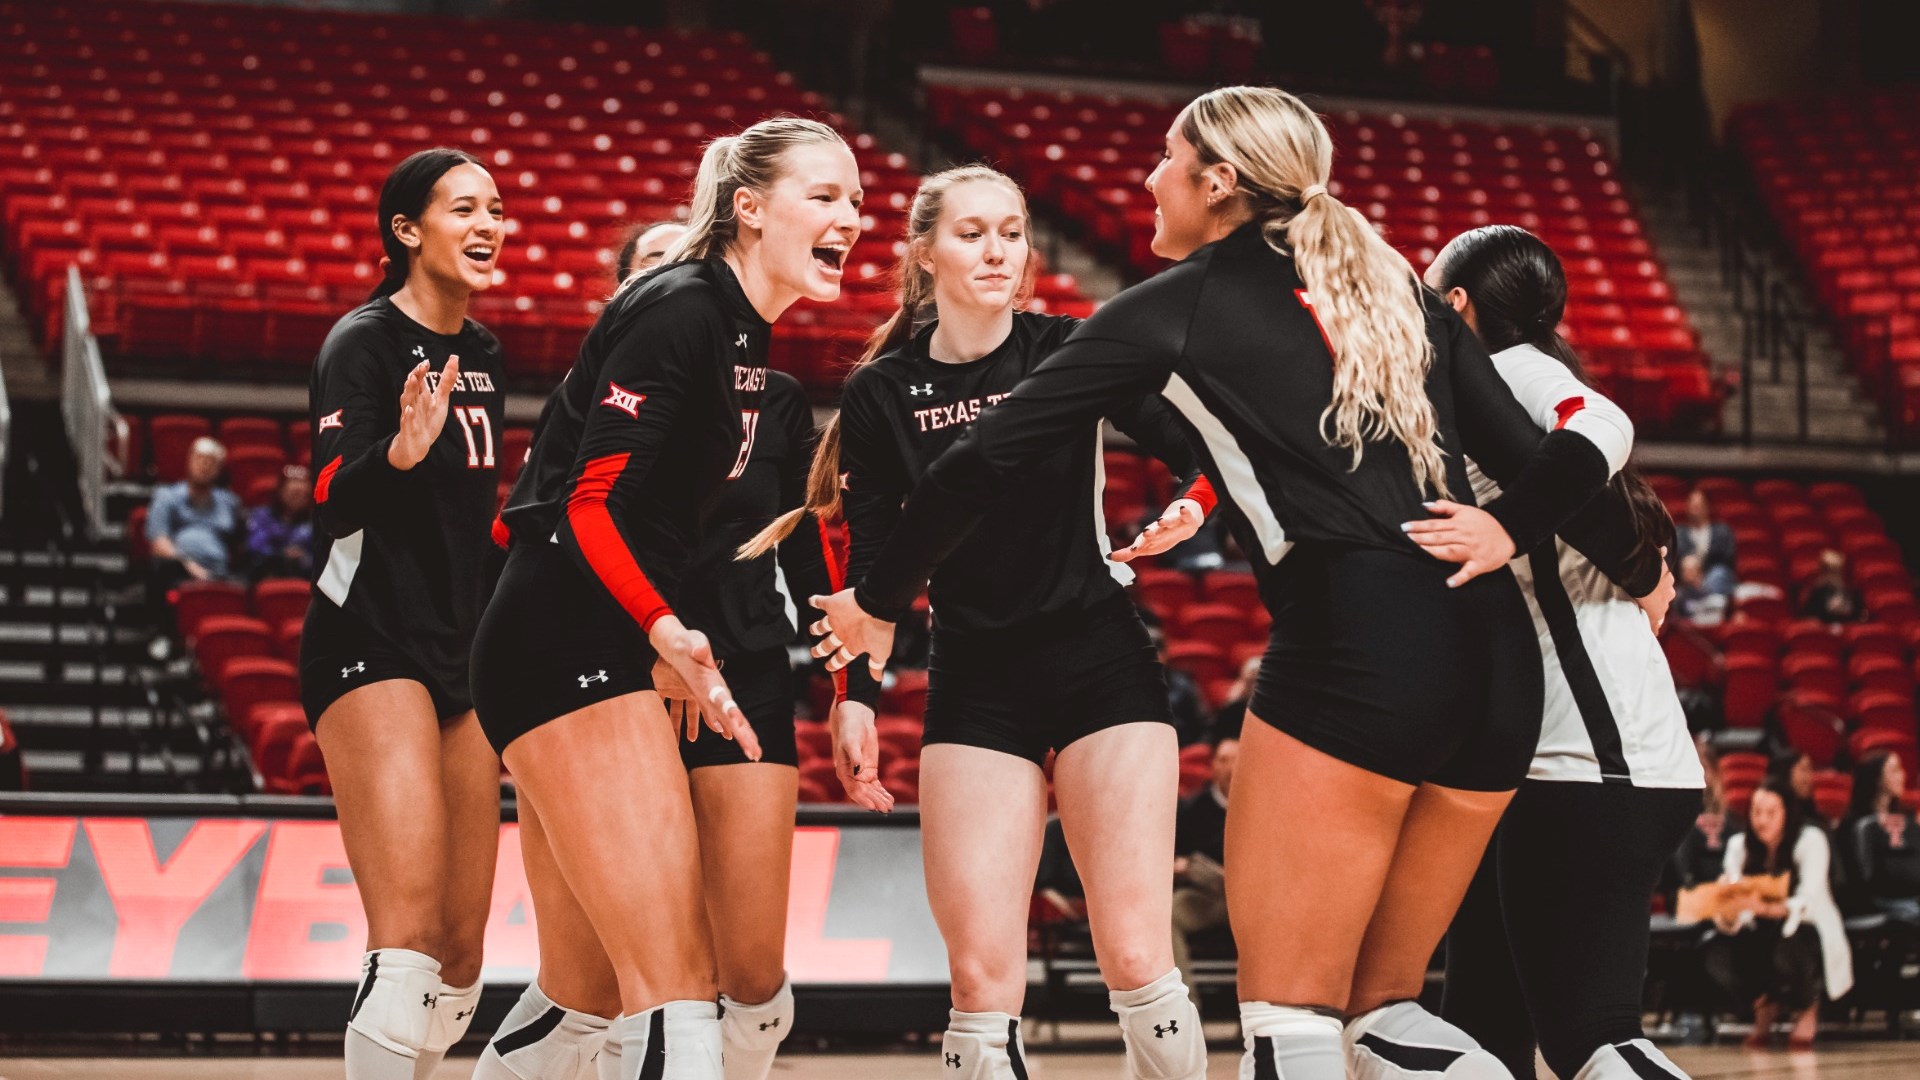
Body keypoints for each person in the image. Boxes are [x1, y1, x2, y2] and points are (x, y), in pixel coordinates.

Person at [807, 86, 1646, 1080]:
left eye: (1166, 159)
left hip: (1358, 646)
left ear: (1220, 182)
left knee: (1287, 1016)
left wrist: (875, 603)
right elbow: (1562, 447)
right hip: (1496, 664)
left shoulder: (1167, 308)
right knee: (1381, 1012)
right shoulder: (1389, 286)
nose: (1149, 179)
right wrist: (1569, 542)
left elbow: (973, 468)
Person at [743, 162, 1217, 1080]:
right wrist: (856, 696)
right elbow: (877, 569)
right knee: (978, 977)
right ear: (923, 253)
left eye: (1011, 231)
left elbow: (1195, 451)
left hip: (1101, 662)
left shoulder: (1066, 348)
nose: (998, 250)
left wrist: (1194, 503)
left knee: (1134, 955)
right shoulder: (883, 392)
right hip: (975, 677)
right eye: (972, 233)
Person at [468, 117, 859, 1080]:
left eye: (858, 199)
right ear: (750, 207)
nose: (852, 217)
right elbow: (586, 500)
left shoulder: (746, 335)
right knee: (675, 994)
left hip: (609, 642)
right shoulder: (681, 306)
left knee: (595, 993)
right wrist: (664, 627)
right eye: (827, 195)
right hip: (563, 637)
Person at [1423, 225, 1700, 1080]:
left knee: (1593, 1038)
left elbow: (1599, 422)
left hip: (1592, 757)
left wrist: (1506, 529)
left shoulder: (1514, 375)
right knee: (1479, 1028)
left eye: (1432, 294)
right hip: (1541, 760)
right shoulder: (1479, 396)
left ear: (1458, 305)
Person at [301, 147, 508, 1080]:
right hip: (367, 636)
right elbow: (331, 492)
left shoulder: (486, 357)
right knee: (410, 933)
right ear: (406, 231)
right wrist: (395, 455)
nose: (488, 224)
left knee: (460, 959)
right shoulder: (365, 343)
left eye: (496, 209)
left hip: (462, 651)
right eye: (464, 207)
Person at [1706, 780, 1853, 1048]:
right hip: (1757, 928)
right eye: (1756, 812)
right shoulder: (1739, 845)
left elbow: (1811, 897)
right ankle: (1764, 1004)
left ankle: (1808, 1008)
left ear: (1787, 813)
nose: (1762, 820)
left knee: (1790, 945)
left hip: (1805, 929)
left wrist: (1768, 907)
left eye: (1771, 812)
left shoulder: (1811, 840)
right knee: (1718, 950)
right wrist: (1725, 905)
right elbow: (1731, 900)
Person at [1171, 732, 1237, 1010]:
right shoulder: (1193, 809)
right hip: (1208, 896)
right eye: (1224, 760)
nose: (1231, 767)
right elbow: (1173, 856)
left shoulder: (1266, 805)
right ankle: (1186, 1006)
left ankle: (1275, 1006)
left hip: (1254, 900)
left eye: (1237, 759)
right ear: (1213, 767)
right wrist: (1184, 866)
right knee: (1168, 915)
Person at [147, 436, 243, 594]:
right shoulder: (166, 496)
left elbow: (239, 544)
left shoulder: (230, 502)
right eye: (200, 459)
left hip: (220, 574)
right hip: (179, 571)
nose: (204, 465)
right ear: (189, 461)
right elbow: (159, 543)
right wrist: (189, 565)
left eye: (211, 462)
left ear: (219, 469)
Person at [1844, 751, 1920, 920]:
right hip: (1876, 904)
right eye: (1894, 770)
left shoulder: (1907, 820)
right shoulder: (1854, 825)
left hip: (1910, 900)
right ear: (1877, 778)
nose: (1903, 775)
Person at [244, 464, 315, 580]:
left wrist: (304, 558)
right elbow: (254, 547)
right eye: (293, 494)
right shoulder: (261, 515)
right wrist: (281, 554)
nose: (297, 499)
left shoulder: (317, 522)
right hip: (266, 575)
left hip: (308, 579)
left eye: (303, 495)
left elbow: (324, 559)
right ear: (280, 492)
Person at [1672, 488, 1736, 599]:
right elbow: (1673, 561)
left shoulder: (1721, 531)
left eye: (1699, 505)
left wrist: (1703, 576)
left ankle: (1709, 604)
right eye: (1692, 505)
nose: (1695, 509)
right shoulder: (1679, 532)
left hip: (1714, 578)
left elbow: (1728, 559)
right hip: (1687, 582)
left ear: (1707, 506)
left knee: (1719, 573)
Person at [1799, 549, 1864, 624]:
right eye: (1830, 570)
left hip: (1846, 629)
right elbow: (1808, 617)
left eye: (1837, 570)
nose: (1834, 575)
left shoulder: (1851, 591)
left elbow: (1858, 617)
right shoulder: (1816, 591)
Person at [1672, 554, 1727, 626]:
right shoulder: (1679, 595)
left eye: (1690, 570)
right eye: (1683, 570)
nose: (1686, 573)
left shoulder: (1713, 587)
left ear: (1699, 570)